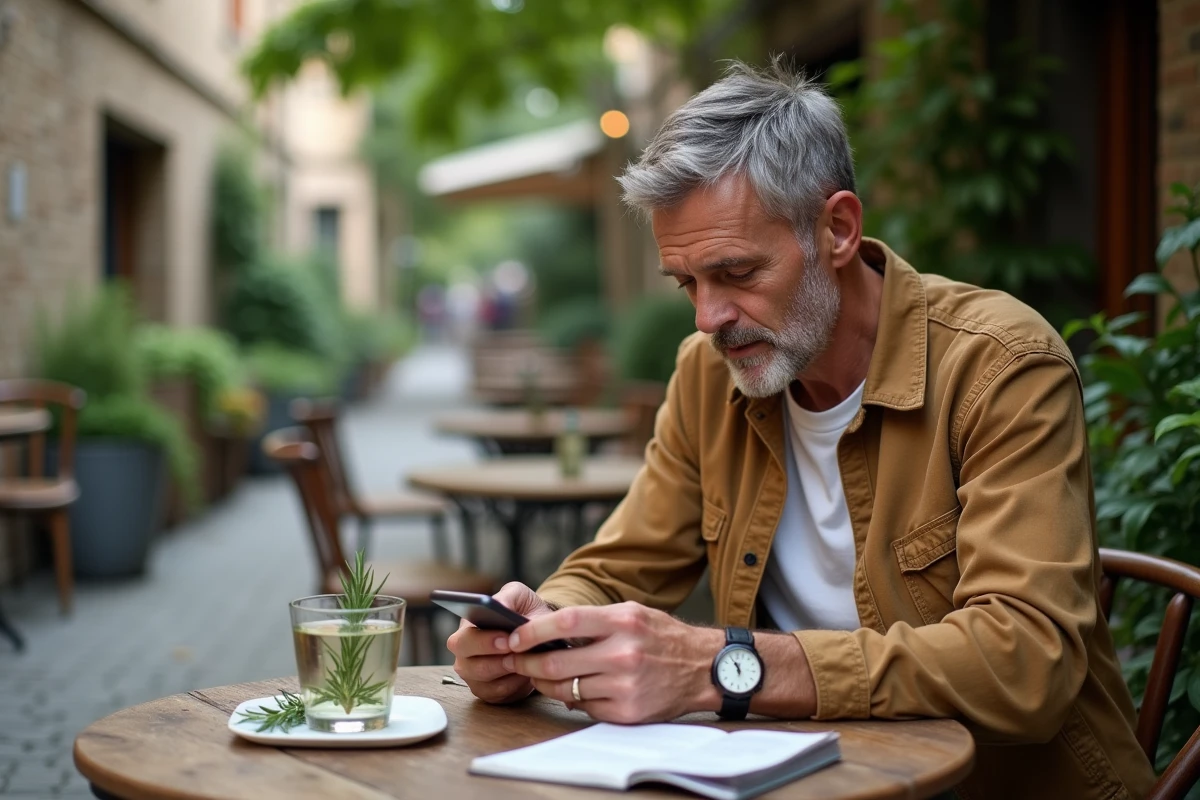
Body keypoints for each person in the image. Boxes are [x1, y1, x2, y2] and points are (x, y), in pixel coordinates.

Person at [447, 60, 1156, 800]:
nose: (707, 318)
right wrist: (537, 630)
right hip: (814, 780)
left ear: (838, 229)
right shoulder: (705, 374)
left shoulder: (1001, 365)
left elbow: (1026, 662)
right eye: (688, 283)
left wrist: (720, 665)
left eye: (736, 273)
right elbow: (621, 565)